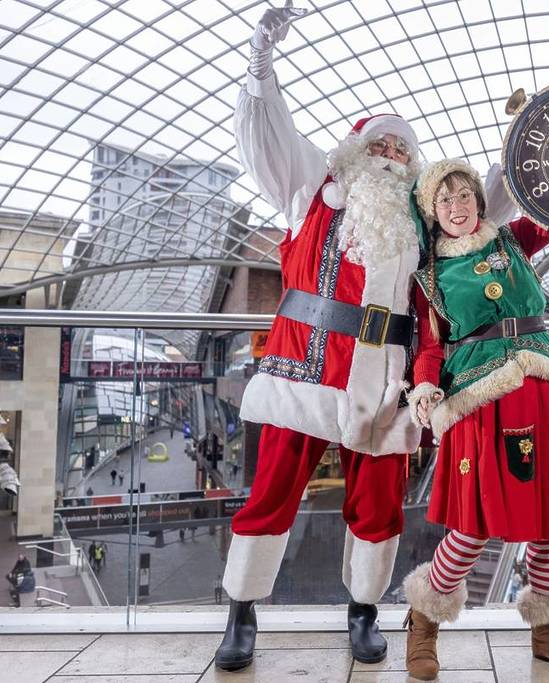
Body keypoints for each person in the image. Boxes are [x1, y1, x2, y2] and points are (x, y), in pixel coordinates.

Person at [213, 2, 436, 672]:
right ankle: (242, 610)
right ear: (356, 151)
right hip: (299, 374)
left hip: (383, 380)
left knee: (378, 505)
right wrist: (260, 62)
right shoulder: (311, 187)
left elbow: (483, 204)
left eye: (402, 150)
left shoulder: (419, 222)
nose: (392, 156)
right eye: (382, 146)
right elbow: (267, 134)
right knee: (272, 492)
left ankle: (364, 610)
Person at [399, 159, 549, 679]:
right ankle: (424, 622)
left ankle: (548, 632)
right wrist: (423, 385)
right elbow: (430, 346)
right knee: (472, 524)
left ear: (479, 203)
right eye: (445, 201)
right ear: (432, 212)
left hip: (542, 383)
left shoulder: (512, 240)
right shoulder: (431, 277)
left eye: (465, 196)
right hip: (477, 396)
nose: (457, 207)